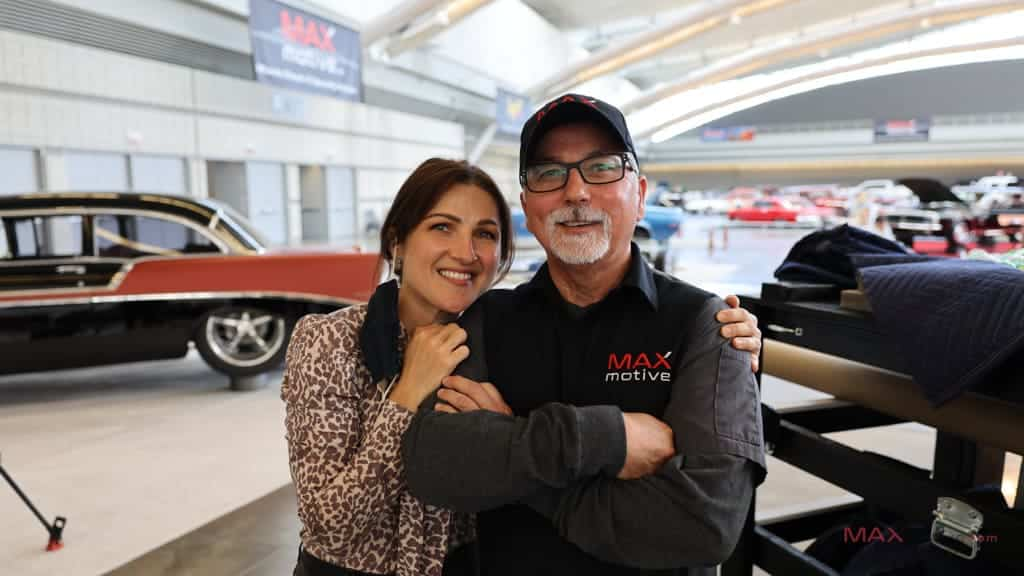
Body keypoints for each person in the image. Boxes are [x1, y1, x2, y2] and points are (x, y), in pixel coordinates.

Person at [283, 160, 761, 573]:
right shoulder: (330, 339)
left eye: (485, 234)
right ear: (397, 242)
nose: (466, 252)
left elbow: (706, 519)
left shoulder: (480, 336)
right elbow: (331, 524)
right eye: (442, 227)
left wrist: (723, 345)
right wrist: (408, 393)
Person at [402, 94, 768, 576]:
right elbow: (433, 467)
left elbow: (704, 523)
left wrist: (514, 447)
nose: (575, 192)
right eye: (549, 173)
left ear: (639, 194)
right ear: (528, 206)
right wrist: (609, 439)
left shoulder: (707, 324)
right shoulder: (487, 320)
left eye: (601, 168)